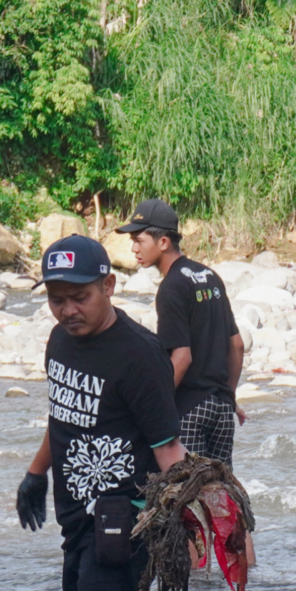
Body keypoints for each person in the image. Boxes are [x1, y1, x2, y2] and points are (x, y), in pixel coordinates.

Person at [14, 234, 198, 591]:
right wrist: (36, 473)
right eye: (57, 298)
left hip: (123, 532)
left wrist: (190, 528)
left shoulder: (139, 355)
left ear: (109, 286)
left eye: (80, 297)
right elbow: (63, 415)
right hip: (76, 525)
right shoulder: (59, 342)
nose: (68, 310)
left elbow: (170, 452)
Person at [118, 197, 246, 466]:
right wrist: (229, 397)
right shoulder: (210, 276)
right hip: (222, 410)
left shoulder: (172, 286)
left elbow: (182, 357)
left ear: (163, 242)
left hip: (189, 410)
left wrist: (154, 409)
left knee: (184, 488)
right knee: (220, 489)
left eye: (139, 240)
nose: (133, 248)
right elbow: (236, 345)